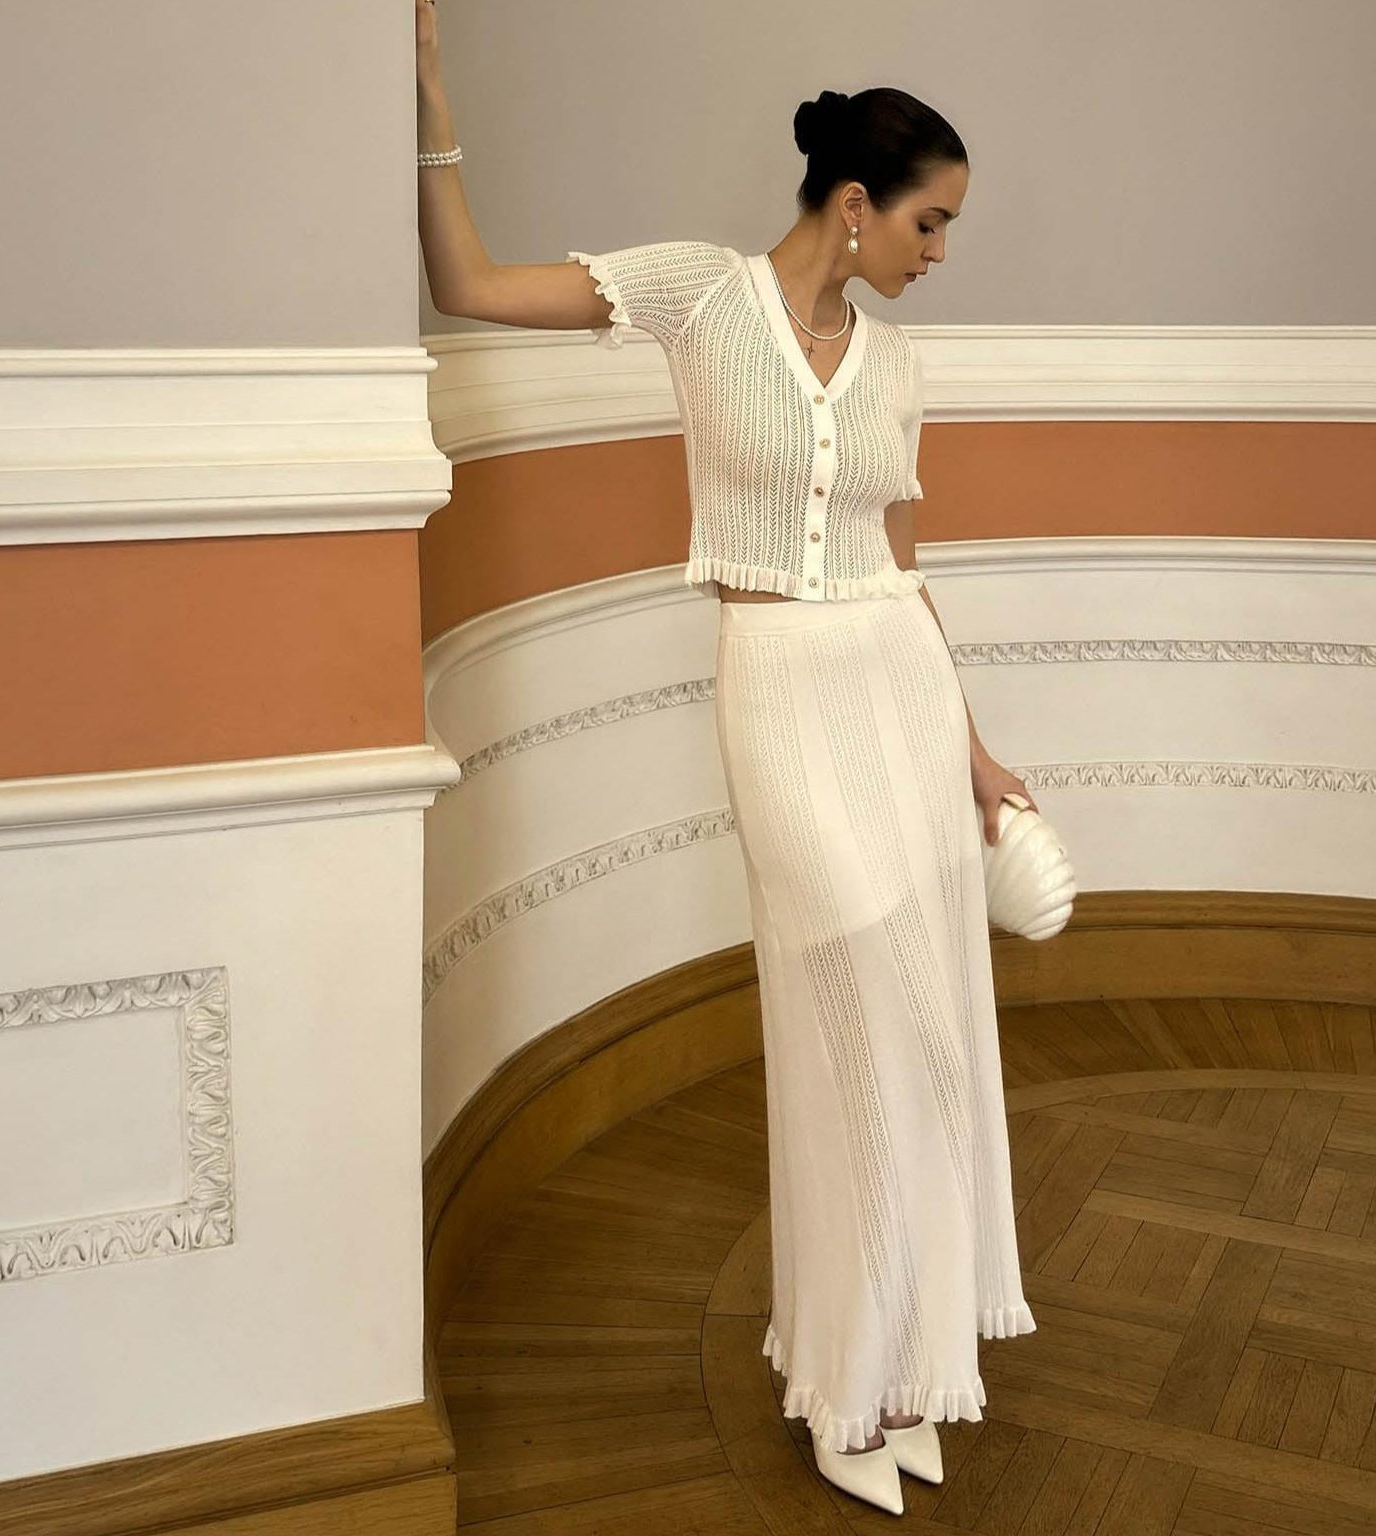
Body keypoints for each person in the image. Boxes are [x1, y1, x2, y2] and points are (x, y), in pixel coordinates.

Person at [414, 1, 1038, 1515]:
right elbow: (470, 286)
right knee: (847, 1014)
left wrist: (973, 749)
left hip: (895, 685)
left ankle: (905, 1363)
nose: (939, 254)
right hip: (779, 684)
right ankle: (837, 1376)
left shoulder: (893, 364)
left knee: (928, 1031)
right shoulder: (701, 296)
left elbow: (902, 563)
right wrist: (431, 108)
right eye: (932, 223)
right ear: (855, 204)